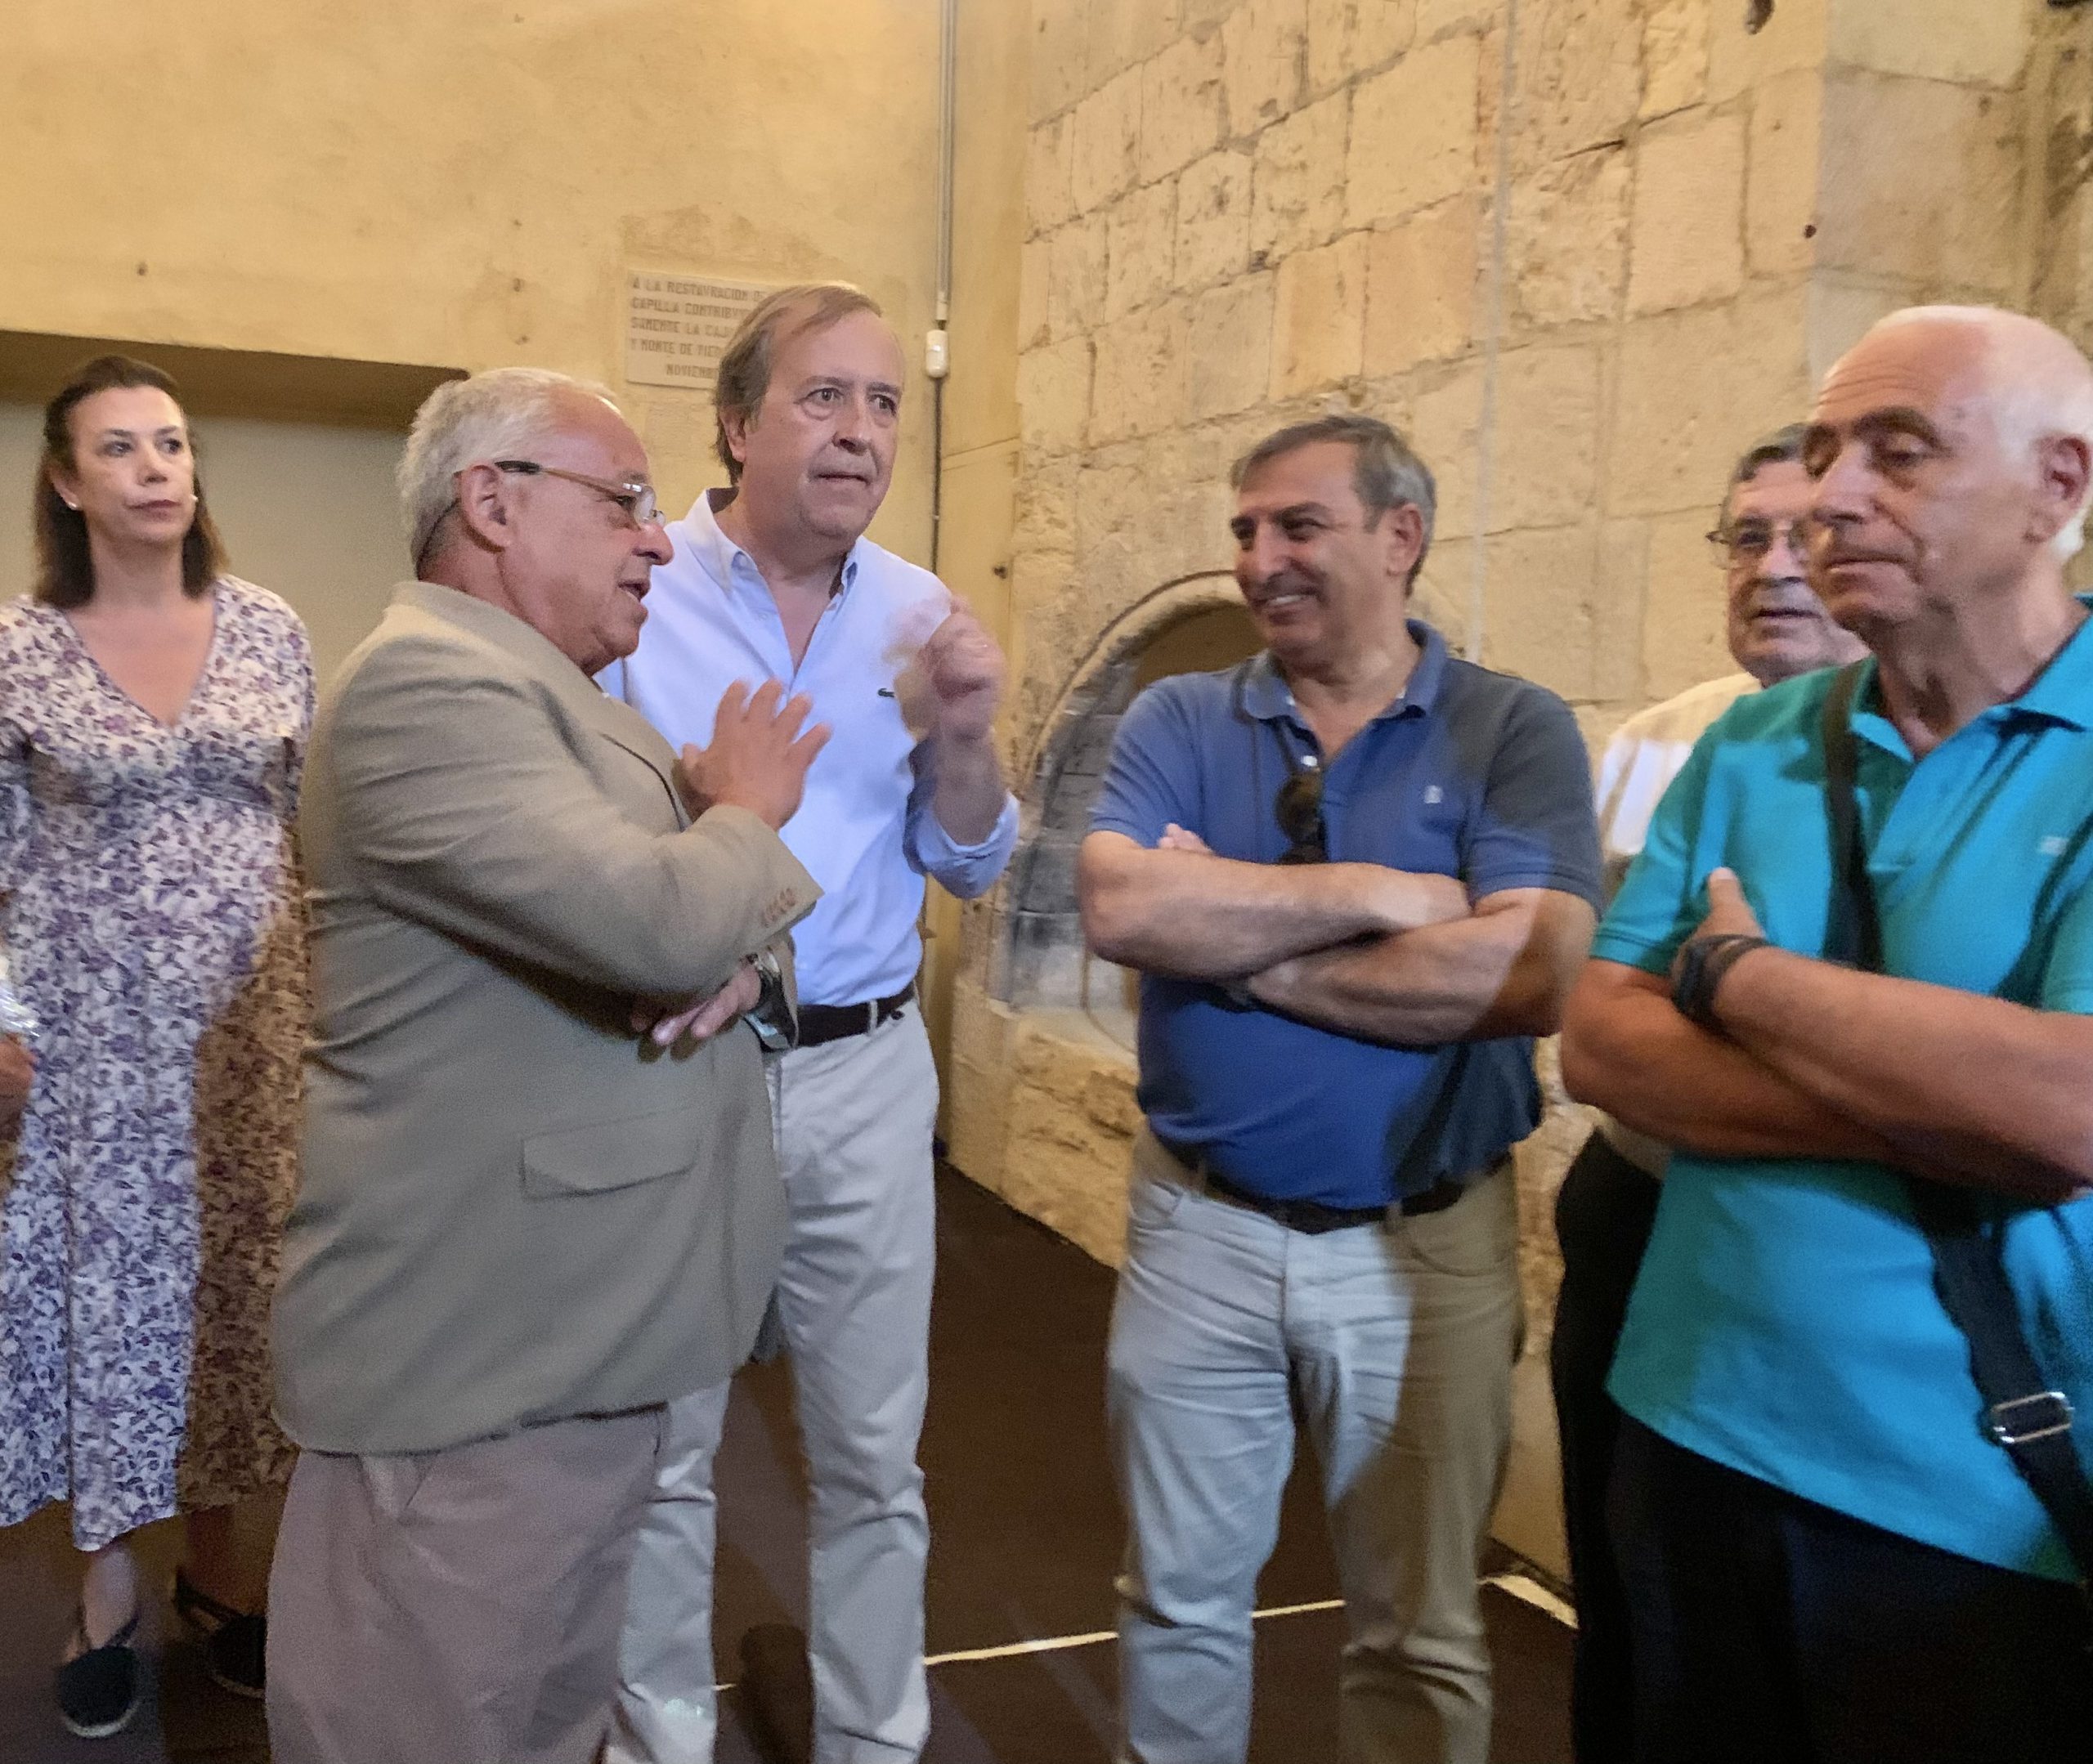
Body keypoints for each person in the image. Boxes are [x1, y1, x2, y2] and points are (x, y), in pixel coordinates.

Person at [265, 367, 824, 1764]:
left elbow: (710, 941)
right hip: (475, 1372)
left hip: (577, 1346)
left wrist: (733, 943)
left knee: (540, 1724)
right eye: (626, 500)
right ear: (492, 501)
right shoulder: (425, 688)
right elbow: (661, 918)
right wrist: (747, 814)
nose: (656, 535)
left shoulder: (565, 702)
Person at [1561, 305, 2093, 1762]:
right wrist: (1953, 1094)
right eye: (1822, 450)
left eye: (1898, 451)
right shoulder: (1752, 740)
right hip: (1688, 1424)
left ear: (2061, 485)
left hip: (1976, 1490)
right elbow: (1603, 1048)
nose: (1829, 497)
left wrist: (1743, 981)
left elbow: (2071, 1109)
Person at [1078, 413, 1602, 1764]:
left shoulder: (1511, 726)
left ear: (1401, 536)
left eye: (1297, 525)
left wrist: (1241, 955)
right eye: (1244, 531)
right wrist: (1375, 897)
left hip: (1426, 1247)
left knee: (1418, 1627)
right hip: (1198, 1229)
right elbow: (1119, 900)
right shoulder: (1184, 713)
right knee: (1180, 1603)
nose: (1259, 559)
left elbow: (1525, 974)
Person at [602, 281, 1017, 1764]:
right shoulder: (639, 588)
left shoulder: (919, 610)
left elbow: (970, 858)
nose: (862, 431)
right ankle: (656, 1744)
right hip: (678, 1068)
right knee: (663, 1452)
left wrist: (964, 736)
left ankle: (874, 1744)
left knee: (872, 1460)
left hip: (863, 1065)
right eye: (824, 396)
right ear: (735, 421)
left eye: (887, 401)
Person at [0, 354, 312, 1737]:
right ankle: (107, 1588)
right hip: (94, 1051)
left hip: (254, 1041)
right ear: (67, 481)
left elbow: (307, 829)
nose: (155, 467)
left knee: (242, 1305)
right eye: (118, 447)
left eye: (173, 442)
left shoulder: (270, 627)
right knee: (111, 1311)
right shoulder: (20, 646)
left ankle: (222, 1575)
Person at [1549, 424, 1864, 1764]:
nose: (1775, 567)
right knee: (1626, 1588)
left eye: (1807, 535)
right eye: (1747, 536)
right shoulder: (1654, 747)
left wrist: (1727, 994)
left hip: (1841, 1242)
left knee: (1835, 1633)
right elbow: (1600, 1030)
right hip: (1640, 1201)